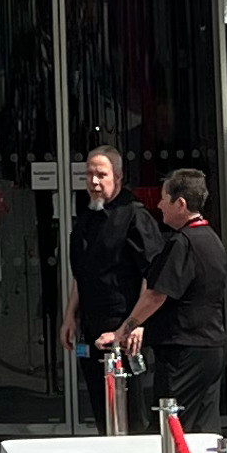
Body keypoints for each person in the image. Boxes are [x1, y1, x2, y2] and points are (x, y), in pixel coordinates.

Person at [112, 165, 227, 432]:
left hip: (184, 350)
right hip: (210, 347)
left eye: (164, 199)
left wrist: (123, 330)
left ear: (181, 204)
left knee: (169, 428)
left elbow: (156, 295)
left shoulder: (183, 242)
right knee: (203, 430)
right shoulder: (212, 239)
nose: (159, 206)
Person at [63, 144, 163, 392]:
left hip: (124, 326)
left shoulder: (135, 215)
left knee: (127, 404)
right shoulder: (86, 218)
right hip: (91, 325)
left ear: (117, 177)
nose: (94, 182)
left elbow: (152, 274)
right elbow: (81, 273)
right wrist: (69, 316)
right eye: (89, 174)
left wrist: (137, 323)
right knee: (100, 401)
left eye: (101, 175)